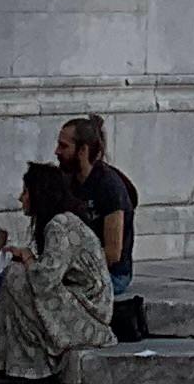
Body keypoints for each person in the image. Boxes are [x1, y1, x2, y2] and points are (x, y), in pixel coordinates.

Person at [0, 160, 112, 380]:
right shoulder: (60, 222)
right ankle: (13, 363)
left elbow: (45, 280)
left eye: (25, 191)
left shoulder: (59, 225)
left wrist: (27, 257)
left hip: (89, 317)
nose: (21, 198)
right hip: (80, 306)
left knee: (15, 277)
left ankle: (26, 366)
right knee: (14, 278)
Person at [52, 118, 135, 310]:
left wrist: (70, 268)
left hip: (111, 274)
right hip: (75, 269)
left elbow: (113, 254)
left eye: (64, 146)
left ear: (83, 150)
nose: (57, 152)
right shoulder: (68, 180)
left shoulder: (109, 187)